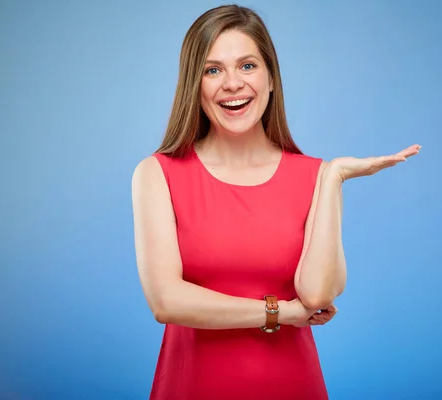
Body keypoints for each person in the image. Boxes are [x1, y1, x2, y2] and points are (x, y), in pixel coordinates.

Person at [131, 4, 421, 400]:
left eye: (247, 66)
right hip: (192, 386)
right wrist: (280, 313)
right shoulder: (158, 173)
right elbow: (166, 300)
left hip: (292, 385)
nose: (232, 83)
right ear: (193, 86)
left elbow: (318, 296)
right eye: (213, 70)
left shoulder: (313, 174)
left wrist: (333, 177)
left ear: (271, 79)